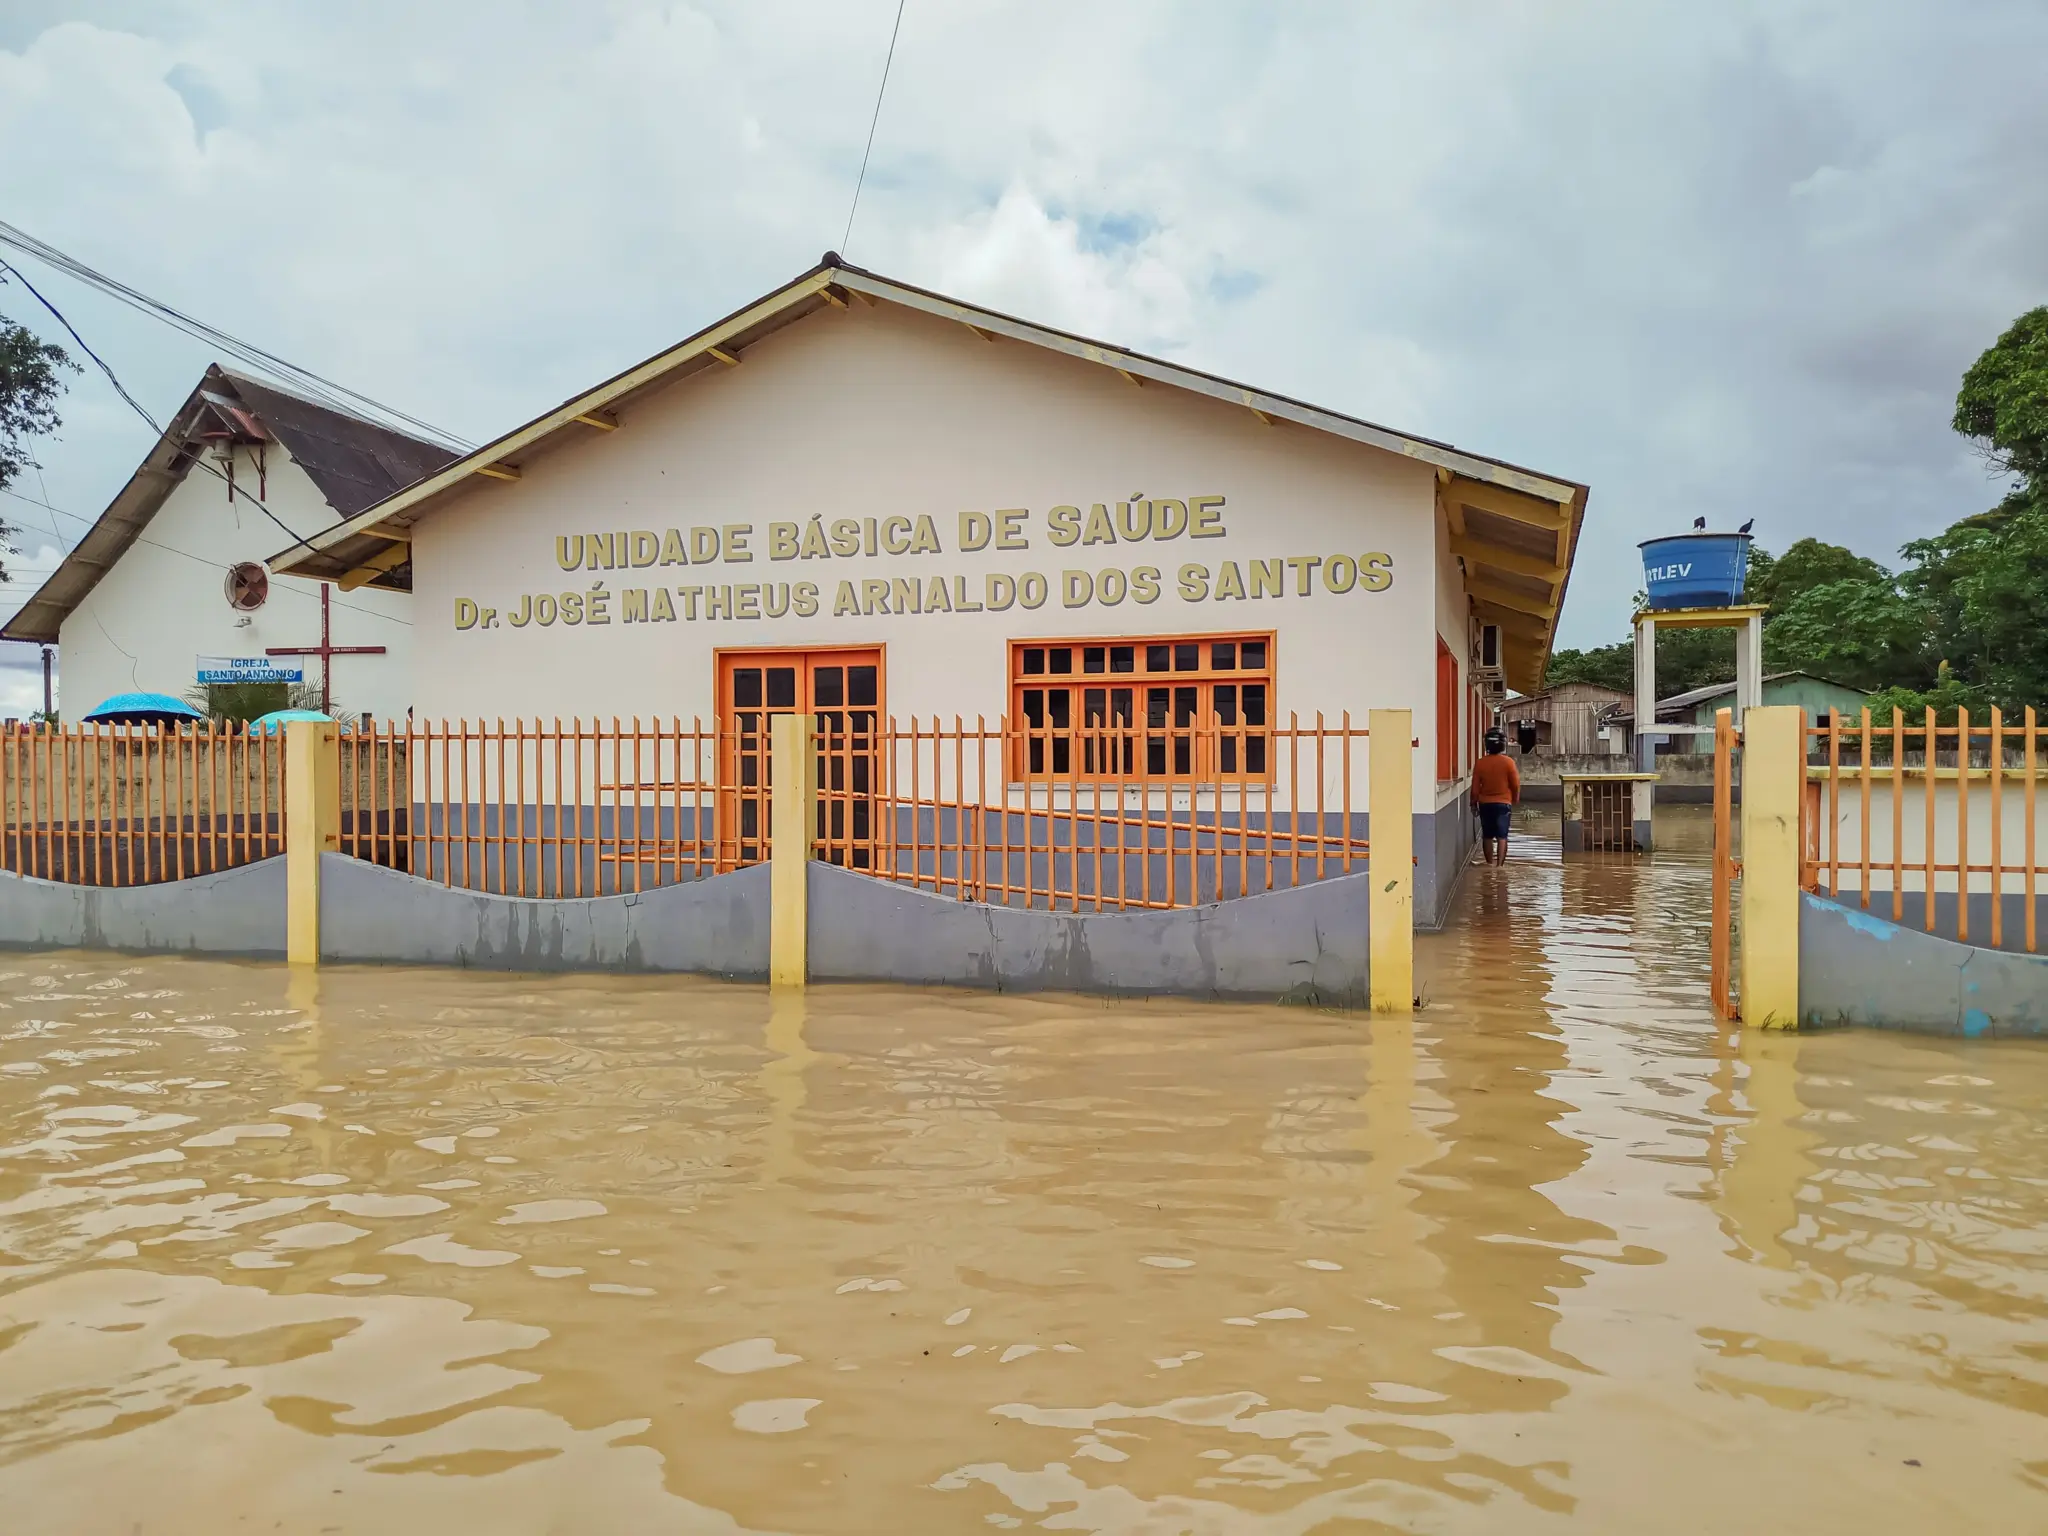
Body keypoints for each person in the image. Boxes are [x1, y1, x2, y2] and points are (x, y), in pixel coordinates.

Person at [1471, 728, 1520, 865]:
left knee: (1487, 835)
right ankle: (1499, 867)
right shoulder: (1509, 762)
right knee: (1502, 836)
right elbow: (1515, 784)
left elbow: (1475, 787)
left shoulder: (1480, 763)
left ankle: (1489, 865)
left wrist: (1473, 803)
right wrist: (1515, 799)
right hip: (1504, 804)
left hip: (1485, 804)